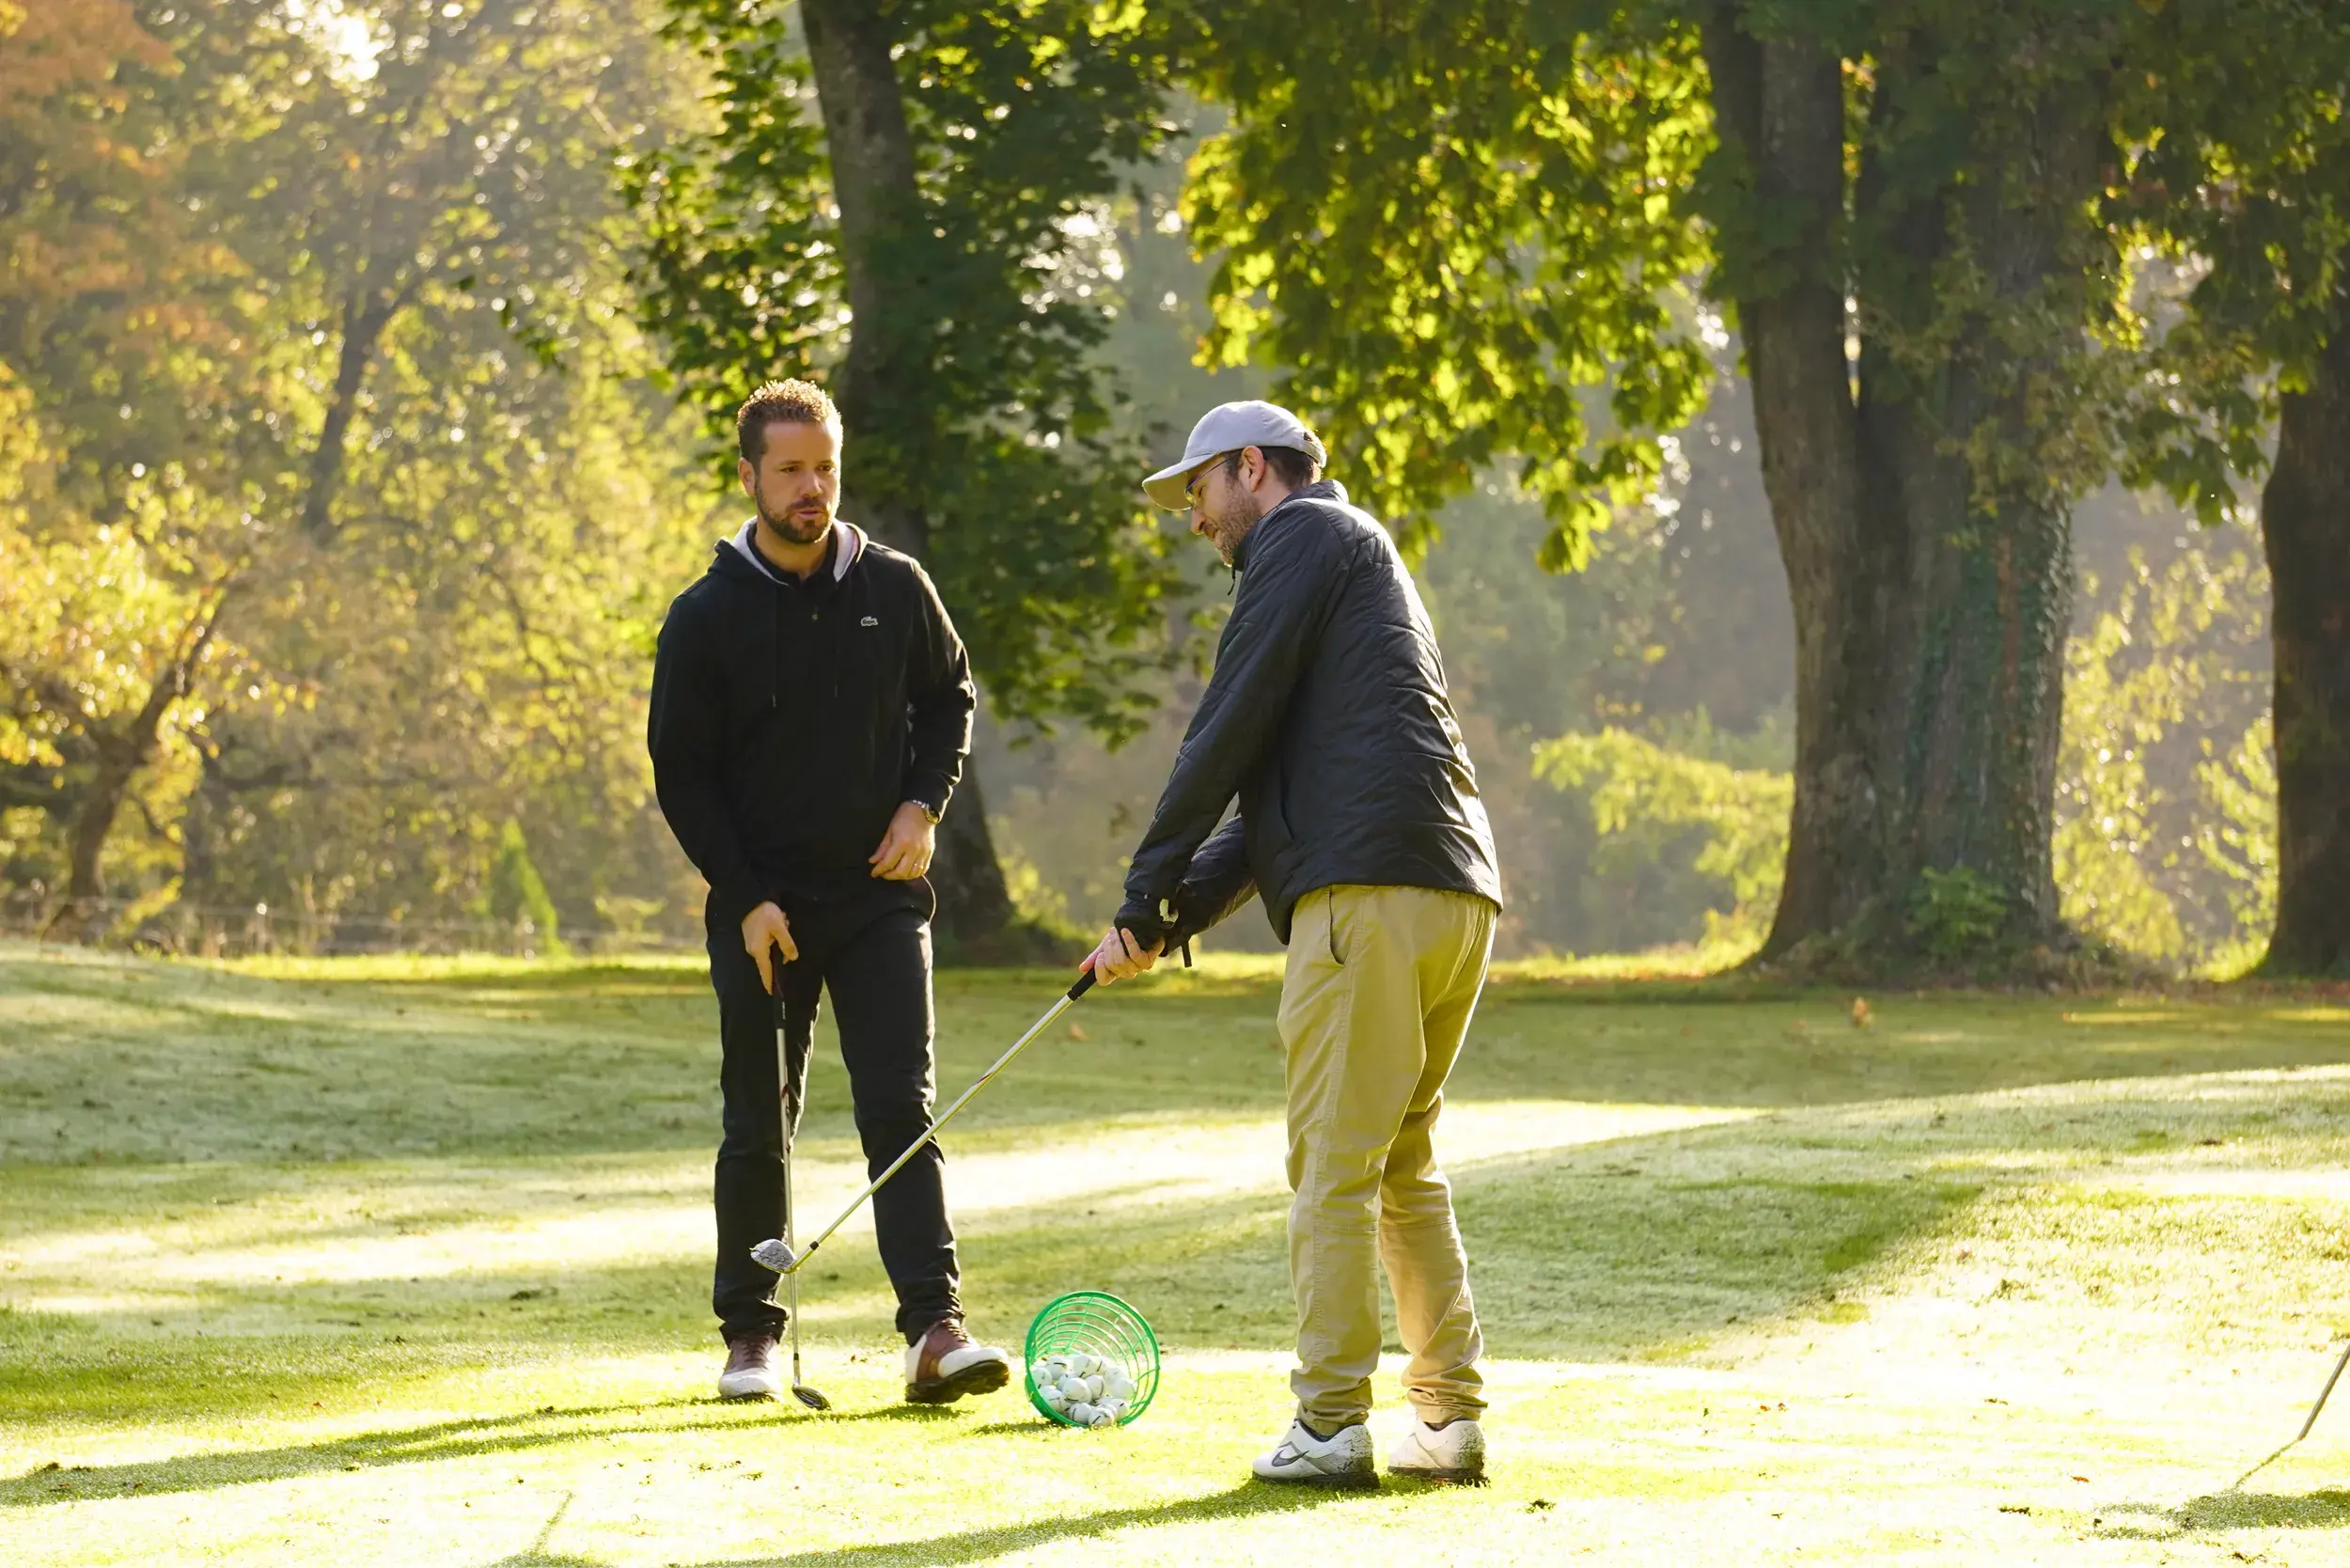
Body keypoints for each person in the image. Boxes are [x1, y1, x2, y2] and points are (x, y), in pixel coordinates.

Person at [1086, 400, 1504, 1487]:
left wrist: (1139, 895)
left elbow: (1220, 730)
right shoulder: (1356, 558)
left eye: (1199, 492)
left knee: (1330, 1164)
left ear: (1253, 469)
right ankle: (1446, 1420)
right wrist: (1161, 921)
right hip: (1452, 896)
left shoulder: (1301, 537)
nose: (1194, 519)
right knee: (1398, 1159)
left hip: (1366, 902)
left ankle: (1327, 1424)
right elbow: (1267, 811)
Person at [649, 377, 1011, 1405]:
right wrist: (747, 894)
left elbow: (950, 700)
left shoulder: (896, 588)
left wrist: (922, 807)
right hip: (762, 905)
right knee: (759, 1116)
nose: (814, 489)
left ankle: (934, 1331)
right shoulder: (704, 617)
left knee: (902, 1105)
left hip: (878, 898)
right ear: (750, 475)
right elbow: (684, 774)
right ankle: (751, 1336)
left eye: (826, 468)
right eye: (793, 469)